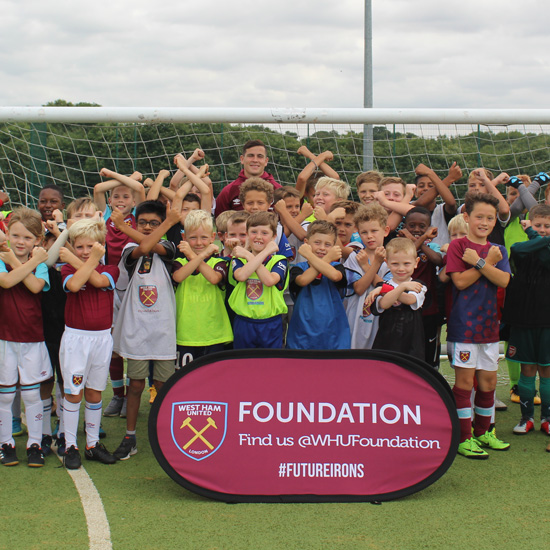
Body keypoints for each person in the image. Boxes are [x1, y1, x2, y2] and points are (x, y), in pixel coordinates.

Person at [111, 201, 179, 460]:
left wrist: (123, 226)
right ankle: (130, 437)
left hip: (163, 328)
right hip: (137, 328)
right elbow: (144, 246)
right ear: (136, 223)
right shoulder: (130, 248)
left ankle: (165, 436)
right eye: (143, 223)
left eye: (155, 222)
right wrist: (167, 221)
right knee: (136, 384)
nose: (149, 227)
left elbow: (155, 245)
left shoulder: (169, 247)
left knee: (163, 384)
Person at [445, 192, 511, 459]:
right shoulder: (458, 247)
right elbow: (459, 282)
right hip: (464, 327)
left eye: (490, 218)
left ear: (495, 221)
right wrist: (487, 265)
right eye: (479, 217)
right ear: (466, 217)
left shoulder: (498, 250)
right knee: (464, 383)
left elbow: (504, 281)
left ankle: (484, 431)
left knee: (488, 381)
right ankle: (464, 437)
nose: (484, 222)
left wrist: (483, 262)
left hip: (489, 327)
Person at [58, 218, 119, 469]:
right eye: (79, 247)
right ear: (72, 246)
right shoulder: (67, 270)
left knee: (95, 392)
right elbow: (74, 285)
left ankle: (92, 444)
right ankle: (70, 445)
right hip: (76, 339)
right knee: (74, 393)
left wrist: (86, 260)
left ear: (101, 245)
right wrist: (81, 261)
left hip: (102, 339)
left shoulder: (110, 269)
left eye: (90, 247)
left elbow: (99, 281)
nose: (84, 253)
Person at [0, 208, 51, 467]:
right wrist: (25, 260)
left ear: (38, 241)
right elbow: (7, 282)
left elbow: (33, 286)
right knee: (5, 395)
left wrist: (22, 260)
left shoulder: (41, 266)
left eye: (28, 238)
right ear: (7, 234)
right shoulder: (1, 259)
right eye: (15, 235)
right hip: (4, 338)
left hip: (31, 338)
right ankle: (5, 443)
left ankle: (34, 444)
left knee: (32, 395)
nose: (20, 242)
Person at [502, 205, 550, 448]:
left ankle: (547, 419)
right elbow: (517, 248)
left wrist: (536, 238)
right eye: (538, 225)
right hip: (522, 319)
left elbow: (545, 258)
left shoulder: (543, 249)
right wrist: (536, 237)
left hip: (547, 322)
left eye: (547, 226)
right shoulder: (526, 246)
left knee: (547, 372)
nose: (542, 230)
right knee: (527, 371)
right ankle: (526, 417)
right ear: (530, 224)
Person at [173, 209, 233, 366]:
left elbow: (213, 278)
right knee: (186, 382)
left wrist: (196, 256)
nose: (199, 243)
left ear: (213, 237)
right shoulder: (180, 262)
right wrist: (200, 255)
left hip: (215, 335)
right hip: (186, 335)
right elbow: (178, 277)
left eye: (204, 238)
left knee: (215, 382)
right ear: (184, 238)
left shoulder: (219, 263)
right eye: (193, 238)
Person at [286, 220, 350, 350]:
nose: (322, 248)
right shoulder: (298, 269)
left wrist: (312, 256)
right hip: (302, 335)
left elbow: (335, 276)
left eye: (327, 245)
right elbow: (303, 280)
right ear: (306, 243)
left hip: (333, 335)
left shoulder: (337, 267)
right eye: (317, 243)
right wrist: (326, 258)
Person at [229, 212, 288, 349]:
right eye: (254, 232)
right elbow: (242, 276)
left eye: (265, 233)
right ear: (247, 234)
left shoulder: (279, 260)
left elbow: (269, 281)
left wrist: (250, 254)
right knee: (243, 364)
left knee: (270, 365)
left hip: (270, 323)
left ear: (274, 237)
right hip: (244, 323)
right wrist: (254, 254)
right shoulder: (239, 259)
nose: (259, 237)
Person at [369, 237, 426, 360]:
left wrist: (385, 290)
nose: (401, 269)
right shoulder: (382, 286)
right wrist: (401, 287)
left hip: (411, 347)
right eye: (395, 264)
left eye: (406, 263)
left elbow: (410, 300)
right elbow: (384, 304)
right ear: (387, 263)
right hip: (386, 345)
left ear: (416, 262)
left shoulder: (419, 285)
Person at [400, 206, 443, 368]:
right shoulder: (399, 245)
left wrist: (421, 240)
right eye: (412, 225)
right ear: (405, 226)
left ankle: (431, 380)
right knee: (407, 349)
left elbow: (438, 260)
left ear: (429, 228)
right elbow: (408, 253)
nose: (416, 229)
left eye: (422, 226)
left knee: (428, 348)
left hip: (428, 309)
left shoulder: (431, 247)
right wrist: (415, 240)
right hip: (403, 308)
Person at [344, 203, 390, 349]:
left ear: (385, 230)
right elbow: (359, 288)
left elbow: (387, 288)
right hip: (355, 318)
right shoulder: (355, 257)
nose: (369, 236)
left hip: (382, 320)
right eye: (364, 232)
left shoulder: (393, 257)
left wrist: (368, 266)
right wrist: (374, 264)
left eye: (374, 231)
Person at [215, 140, 281, 216]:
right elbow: (220, 223)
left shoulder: (278, 190)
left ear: (266, 161)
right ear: (242, 159)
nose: (255, 160)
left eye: (260, 156)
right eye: (251, 156)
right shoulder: (229, 191)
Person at [239, 177, 293, 259]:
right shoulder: (236, 228)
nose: (255, 207)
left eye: (260, 203)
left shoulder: (277, 230)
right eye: (250, 203)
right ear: (243, 204)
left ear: (269, 204)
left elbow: (285, 258)